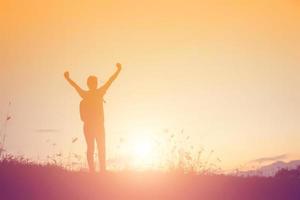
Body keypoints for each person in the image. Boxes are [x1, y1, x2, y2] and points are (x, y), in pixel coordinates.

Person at [64, 63, 122, 172]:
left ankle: (95, 172)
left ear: (88, 84)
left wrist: (68, 78)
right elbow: (110, 81)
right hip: (96, 126)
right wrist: (118, 70)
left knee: (93, 148)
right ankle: (100, 171)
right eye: (93, 83)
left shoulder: (86, 94)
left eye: (94, 82)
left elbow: (75, 86)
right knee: (98, 148)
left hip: (90, 126)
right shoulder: (99, 93)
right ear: (92, 84)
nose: (94, 84)